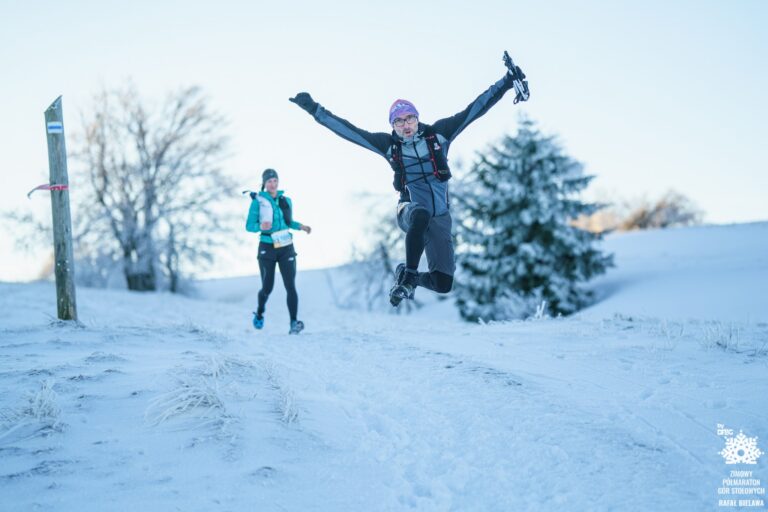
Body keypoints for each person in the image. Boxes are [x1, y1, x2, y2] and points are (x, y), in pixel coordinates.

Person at [289, 53, 527, 306]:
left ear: (417, 118)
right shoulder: (389, 146)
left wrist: (507, 80)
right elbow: (350, 131)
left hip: (441, 217)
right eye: (398, 121)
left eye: (409, 118)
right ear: (393, 126)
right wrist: (315, 110)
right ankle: (409, 276)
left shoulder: (438, 136)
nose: (405, 125)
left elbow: (474, 110)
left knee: (443, 283)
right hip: (409, 211)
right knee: (421, 214)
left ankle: (409, 277)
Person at [245, 168, 312, 334]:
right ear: (264, 184)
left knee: (291, 285)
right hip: (267, 247)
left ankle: (294, 323)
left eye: (275, 181)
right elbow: (249, 226)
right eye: (269, 181)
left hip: (286, 247)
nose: (272, 184)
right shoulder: (258, 202)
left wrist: (301, 226)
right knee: (267, 287)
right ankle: (260, 313)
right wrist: (260, 226)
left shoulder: (286, 200)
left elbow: (289, 222)